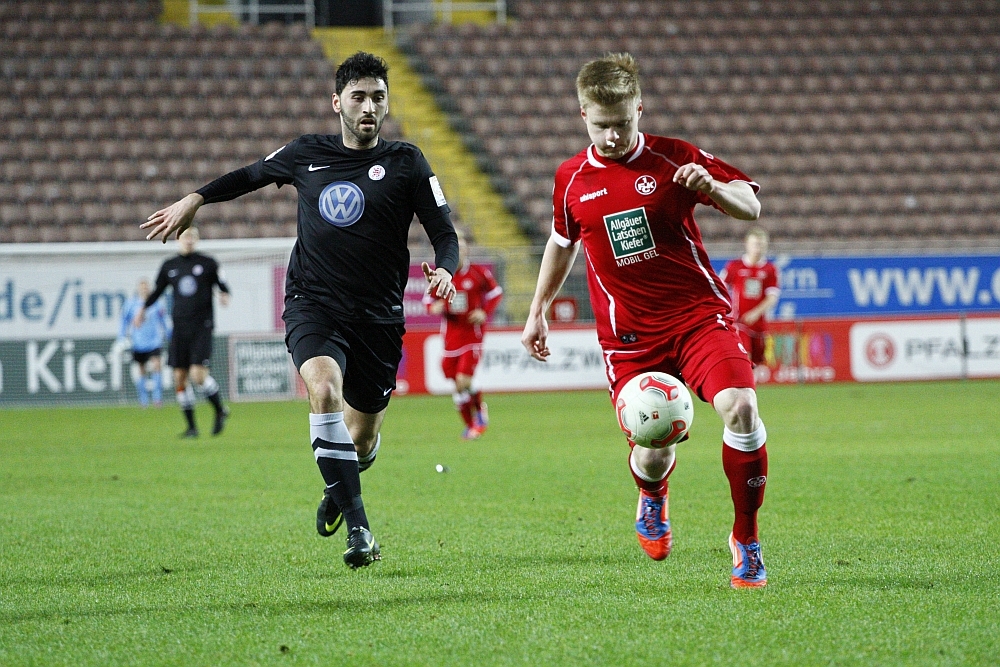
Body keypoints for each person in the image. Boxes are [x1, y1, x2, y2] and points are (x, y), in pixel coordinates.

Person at [140, 52, 458, 569]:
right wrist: (196, 198)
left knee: (362, 439)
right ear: (337, 102)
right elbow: (249, 175)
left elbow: (444, 232)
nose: (369, 106)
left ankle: (337, 488)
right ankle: (360, 529)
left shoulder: (408, 162)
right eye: (358, 96)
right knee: (323, 389)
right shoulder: (306, 153)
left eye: (378, 97)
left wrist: (445, 269)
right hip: (313, 304)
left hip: (378, 318)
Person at [521, 53, 770, 588]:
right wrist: (537, 309)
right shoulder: (571, 178)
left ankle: (745, 539)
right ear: (583, 115)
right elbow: (562, 243)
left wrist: (711, 187)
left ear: (639, 108)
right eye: (601, 125)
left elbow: (750, 206)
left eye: (621, 123)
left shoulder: (674, 156)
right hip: (630, 340)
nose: (612, 136)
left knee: (743, 409)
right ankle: (652, 494)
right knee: (653, 449)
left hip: (698, 319)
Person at [135, 228, 231, 438]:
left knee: (198, 375)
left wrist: (225, 295)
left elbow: (222, 285)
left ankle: (219, 409)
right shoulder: (169, 266)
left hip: (202, 327)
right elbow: (157, 292)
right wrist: (142, 310)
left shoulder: (208, 263)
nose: (189, 240)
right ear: (178, 239)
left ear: (197, 240)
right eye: (186, 236)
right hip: (179, 328)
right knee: (179, 377)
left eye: (192, 237)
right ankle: (192, 427)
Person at [424, 229, 503, 439]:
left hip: (472, 335)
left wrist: (484, 312)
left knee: (463, 381)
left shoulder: (477, 273)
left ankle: (480, 415)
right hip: (450, 336)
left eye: (461, 249)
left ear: (466, 251)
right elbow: (428, 301)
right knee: (457, 385)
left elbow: (496, 293)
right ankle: (470, 425)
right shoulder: (442, 275)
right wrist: (435, 307)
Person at [720, 228, 780, 375]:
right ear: (747, 244)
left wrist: (756, 313)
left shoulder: (770, 269)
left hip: (759, 324)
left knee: (756, 363)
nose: (758, 248)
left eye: (762, 244)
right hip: (739, 321)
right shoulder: (734, 266)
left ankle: (749, 387)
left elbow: (772, 297)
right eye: (755, 244)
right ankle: (742, 387)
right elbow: (719, 288)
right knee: (745, 356)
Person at [118, 278, 171, 407]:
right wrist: (121, 337)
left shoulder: (157, 303)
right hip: (138, 342)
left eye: (146, 287)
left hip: (154, 342)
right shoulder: (131, 304)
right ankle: (143, 399)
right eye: (142, 287)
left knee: (157, 366)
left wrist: (170, 335)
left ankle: (157, 398)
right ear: (138, 289)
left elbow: (164, 320)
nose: (144, 289)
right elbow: (123, 321)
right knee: (141, 369)